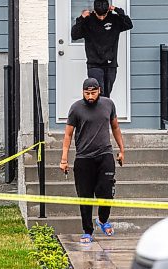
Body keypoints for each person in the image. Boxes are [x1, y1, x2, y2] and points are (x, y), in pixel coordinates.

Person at [59, 78, 125, 244]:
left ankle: (103, 220)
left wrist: (122, 150)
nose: (90, 96)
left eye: (93, 93)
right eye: (87, 93)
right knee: (85, 196)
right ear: (82, 92)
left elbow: (115, 127)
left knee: (106, 191)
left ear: (99, 91)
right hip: (83, 158)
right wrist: (64, 159)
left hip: (105, 155)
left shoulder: (108, 104)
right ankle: (87, 230)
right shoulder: (76, 108)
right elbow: (68, 134)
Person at [71, 0, 133, 98]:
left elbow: (129, 25)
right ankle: (96, 113)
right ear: (94, 11)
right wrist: (81, 18)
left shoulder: (114, 19)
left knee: (107, 93)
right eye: (99, 15)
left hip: (110, 64)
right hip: (94, 64)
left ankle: (105, 113)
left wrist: (118, 11)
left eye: (104, 15)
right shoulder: (88, 20)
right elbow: (74, 35)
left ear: (108, 10)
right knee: (99, 92)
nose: (101, 18)